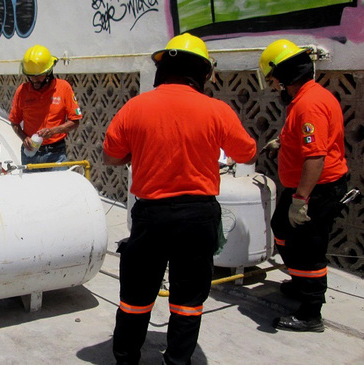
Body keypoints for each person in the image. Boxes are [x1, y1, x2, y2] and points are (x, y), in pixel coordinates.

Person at [103, 33, 257, 365]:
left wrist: (141, 152)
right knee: (188, 300)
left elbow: (111, 155)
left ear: (163, 70)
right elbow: (246, 151)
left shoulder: (136, 106)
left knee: (135, 298)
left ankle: (126, 358)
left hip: (151, 216)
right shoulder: (217, 110)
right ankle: (177, 361)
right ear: (201, 72)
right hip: (197, 217)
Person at [259, 39, 348, 333]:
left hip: (315, 190)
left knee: (308, 248)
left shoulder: (309, 105)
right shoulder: (305, 99)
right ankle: (301, 283)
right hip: (304, 188)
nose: (274, 87)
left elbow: (315, 157)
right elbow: (301, 137)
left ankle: (311, 313)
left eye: (274, 81)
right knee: (282, 230)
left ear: (285, 75)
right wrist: (281, 142)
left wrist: (301, 200)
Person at [9, 44, 82, 171]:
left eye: (39, 76)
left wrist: (53, 131)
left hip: (56, 153)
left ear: (49, 72)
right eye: (31, 76)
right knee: (34, 190)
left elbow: (75, 121)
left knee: (57, 189)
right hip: (30, 153)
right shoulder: (22, 91)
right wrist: (24, 138)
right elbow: (14, 122)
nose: (35, 80)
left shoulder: (63, 88)